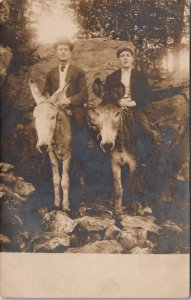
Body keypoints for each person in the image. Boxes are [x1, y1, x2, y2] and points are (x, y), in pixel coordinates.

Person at [43, 37, 89, 185]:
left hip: (73, 112)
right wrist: (52, 103)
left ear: (70, 53)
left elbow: (84, 94)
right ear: (56, 53)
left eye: (65, 50)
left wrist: (68, 101)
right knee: (44, 135)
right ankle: (47, 173)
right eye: (60, 50)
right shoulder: (51, 74)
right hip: (55, 113)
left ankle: (79, 172)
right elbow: (46, 94)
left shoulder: (78, 72)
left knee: (79, 141)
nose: (63, 52)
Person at [105, 46, 160, 164]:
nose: (125, 58)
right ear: (118, 59)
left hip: (135, 108)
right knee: (103, 130)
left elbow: (147, 95)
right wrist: (118, 102)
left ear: (132, 59)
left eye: (128, 55)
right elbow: (107, 96)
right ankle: (106, 160)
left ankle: (147, 159)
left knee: (145, 130)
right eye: (122, 56)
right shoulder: (111, 77)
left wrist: (134, 102)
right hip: (116, 108)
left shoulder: (141, 76)